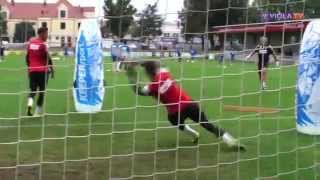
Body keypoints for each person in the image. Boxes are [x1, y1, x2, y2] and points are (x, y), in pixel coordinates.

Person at [126, 61, 246, 150]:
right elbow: (158, 64)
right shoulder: (164, 73)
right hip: (189, 104)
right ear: (156, 68)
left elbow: (138, 91)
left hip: (175, 113)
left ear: (147, 73)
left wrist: (131, 75)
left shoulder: (151, 87)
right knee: (207, 124)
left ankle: (194, 135)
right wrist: (141, 62)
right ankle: (231, 141)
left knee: (177, 123)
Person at [26, 27, 54, 116]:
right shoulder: (43, 45)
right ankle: (37, 112)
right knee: (42, 91)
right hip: (42, 71)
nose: (47, 36)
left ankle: (29, 107)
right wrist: (52, 69)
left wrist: (30, 68)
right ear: (41, 34)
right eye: (46, 34)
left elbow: (27, 57)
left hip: (32, 71)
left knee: (33, 91)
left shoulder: (30, 43)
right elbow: (47, 58)